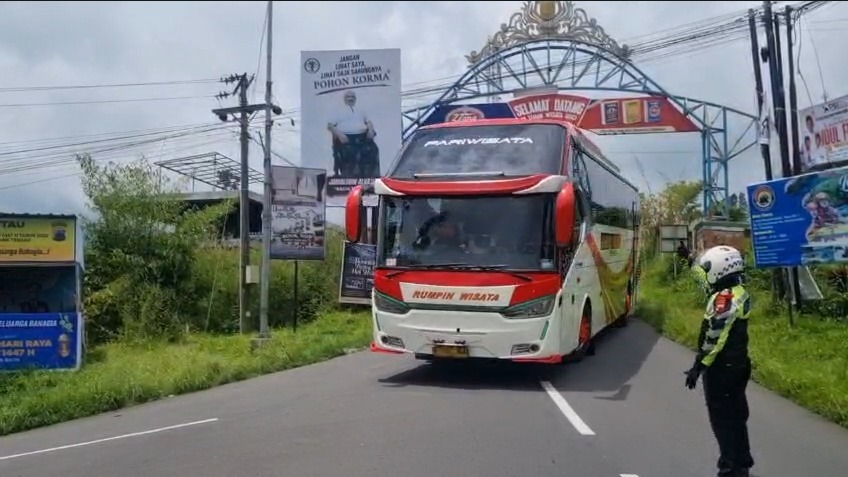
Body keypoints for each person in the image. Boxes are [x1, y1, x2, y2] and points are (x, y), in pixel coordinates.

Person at [684, 245, 754, 477]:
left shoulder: (725, 300)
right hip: (738, 364)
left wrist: (699, 365)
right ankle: (742, 461)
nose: (705, 272)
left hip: (722, 368)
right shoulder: (738, 291)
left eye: (708, 267)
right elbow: (704, 280)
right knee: (737, 415)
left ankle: (731, 468)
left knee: (723, 419)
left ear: (719, 269)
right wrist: (690, 259)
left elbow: (715, 337)